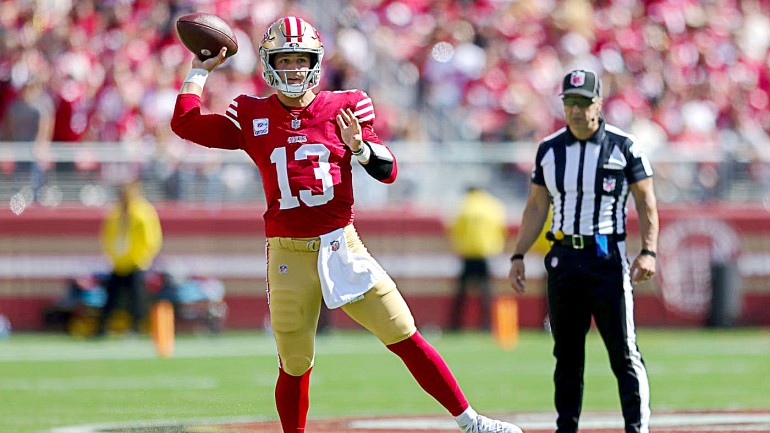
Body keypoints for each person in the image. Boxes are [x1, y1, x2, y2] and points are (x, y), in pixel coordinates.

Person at [171, 16, 521, 433]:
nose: (295, 69)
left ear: (317, 62)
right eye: (285, 60)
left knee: (405, 334)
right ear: (269, 64)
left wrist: (360, 148)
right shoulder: (252, 113)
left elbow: (388, 171)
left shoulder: (345, 106)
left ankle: (471, 422)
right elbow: (185, 124)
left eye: (302, 59)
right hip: (287, 253)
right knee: (295, 363)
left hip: (342, 246)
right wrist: (198, 71)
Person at [507, 69, 659, 433]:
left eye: (583, 102)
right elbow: (536, 207)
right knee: (567, 355)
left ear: (599, 103)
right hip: (564, 259)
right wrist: (518, 254)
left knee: (623, 351)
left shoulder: (624, 146)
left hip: (606, 258)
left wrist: (649, 250)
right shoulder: (549, 149)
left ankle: (637, 428)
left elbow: (646, 201)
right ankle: (566, 428)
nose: (576, 110)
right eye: (570, 102)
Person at [96, 180, 163, 336]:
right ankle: (102, 328)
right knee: (111, 297)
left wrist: (144, 257)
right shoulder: (116, 212)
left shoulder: (143, 212)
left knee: (137, 298)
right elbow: (107, 236)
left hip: (136, 263)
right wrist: (111, 255)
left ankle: (135, 328)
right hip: (119, 263)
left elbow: (152, 238)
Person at [447, 186, 507, 331]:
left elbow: (455, 229)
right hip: (487, 254)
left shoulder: (464, 205)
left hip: (468, 254)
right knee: (486, 294)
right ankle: (487, 325)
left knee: (461, 295)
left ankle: (455, 325)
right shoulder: (493, 206)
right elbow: (501, 229)